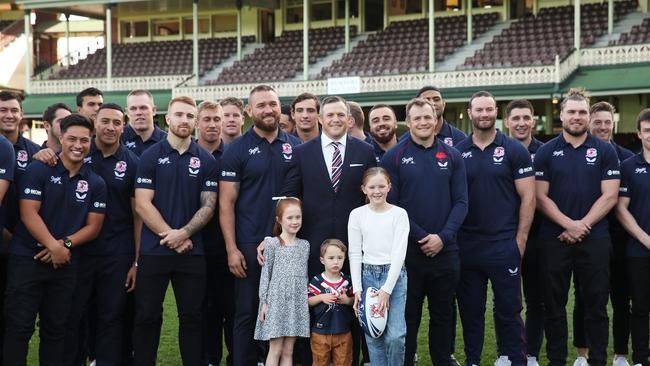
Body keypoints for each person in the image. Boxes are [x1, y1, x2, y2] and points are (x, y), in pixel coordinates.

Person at [3, 113, 107, 364]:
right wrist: (53, 245)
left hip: (64, 265)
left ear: (91, 141)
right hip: (27, 260)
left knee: (57, 330)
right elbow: (29, 213)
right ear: (61, 137)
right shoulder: (38, 169)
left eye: (84, 140)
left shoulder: (96, 182)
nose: (78, 145)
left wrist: (64, 246)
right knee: (19, 328)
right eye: (72, 139)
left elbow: (93, 227)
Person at [47, 103, 139, 366]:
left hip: (116, 253)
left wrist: (136, 261)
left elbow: (137, 216)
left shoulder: (132, 163)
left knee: (110, 317)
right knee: (74, 315)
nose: (111, 127)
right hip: (77, 251)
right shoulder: (77, 151)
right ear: (94, 122)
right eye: (105, 121)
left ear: (124, 126)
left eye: (117, 123)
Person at [534, 88, 620, 366]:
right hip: (554, 239)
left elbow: (610, 195)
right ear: (561, 115)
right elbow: (539, 196)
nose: (577, 116)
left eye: (582, 112)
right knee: (554, 307)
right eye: (571, 111)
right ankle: (557, 360)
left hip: (595, 238)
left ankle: (597, 360)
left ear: (588, 115)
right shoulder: (546, 152)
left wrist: (582, 225)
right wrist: (569, 224)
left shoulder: (605, 151)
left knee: (596, 306)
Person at [381, 98, 468, 366]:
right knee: (410, 314)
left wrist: (443, 237)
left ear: (436, 120)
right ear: (408, 122)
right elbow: (392, 206)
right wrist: (421, 237)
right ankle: (408, 360)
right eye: (417, 118)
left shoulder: (452, 155)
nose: (423, 122)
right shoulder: (393, 156)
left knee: (444, 313)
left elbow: (462, 202)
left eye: (427, 117)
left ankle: (443, 358)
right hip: (409, 253)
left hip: (446, 249)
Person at [133, 96, 219, 365]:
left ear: (195, 122)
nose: (184, 120)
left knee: (192, 317)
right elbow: (143, 205)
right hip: (154, 250)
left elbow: (208, 206)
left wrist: (184, 234)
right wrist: (173, 236)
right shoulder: (149, 156)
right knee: (147, 315)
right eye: (179, 115)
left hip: (192, 253)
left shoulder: (206, 160)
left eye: (190, 116)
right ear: (167, 119)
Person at [219, 85, 301, 366]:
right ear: (249, 111)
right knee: (247, 311)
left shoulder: (296, 146)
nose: (268, 110)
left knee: (285, 311)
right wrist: (232, 249)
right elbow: (226, 204)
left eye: (273, 104)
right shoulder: (236, 150)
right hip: (249, 243)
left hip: (287, 244)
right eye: (261, 105)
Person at [455, 91, 535, 366]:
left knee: (509, 311)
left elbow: (529, 197)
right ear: (470, 113)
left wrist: (520, 240)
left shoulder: (514, 150)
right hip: (468, 246)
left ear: (496, 112)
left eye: (489, 109)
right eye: (479, 109)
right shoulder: (458, 152)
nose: (485, 114)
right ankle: (473, 361)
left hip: (504, 244)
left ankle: (517, 361)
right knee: (471, 311)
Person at [570, 101, 634, 366]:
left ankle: (620, 354)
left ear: (614, 124)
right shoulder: (578, 154)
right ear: (589, 123)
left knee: (620, 298)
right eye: (598, 122)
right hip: (587, 237)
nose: (603, 127)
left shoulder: (627, 158)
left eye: (608, 122)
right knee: (584, 297)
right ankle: (582, 354)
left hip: (620, 240)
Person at [349, 167, 409, 366]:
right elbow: (355, 253)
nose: (377, 191)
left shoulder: (399, 214)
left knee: (395, 336)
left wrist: (386, 289)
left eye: (381, 186)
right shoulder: (357, 215)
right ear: (363, 189)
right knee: (374, 335)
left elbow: (399, 253)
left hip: (394, 276)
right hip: (368, 275)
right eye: (372, 187)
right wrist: (357, 288)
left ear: (389, 187)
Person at [503, 99, 545, 366]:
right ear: (507, 121)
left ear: (533, 120)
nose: (521, 123)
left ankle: (530, 354)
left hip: (539, 236)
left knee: (536, 299)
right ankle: (506, 353)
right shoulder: (500, 149)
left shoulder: (545, 152)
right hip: (504, 236)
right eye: (515, 118)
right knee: (506, 301)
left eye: (525, 118)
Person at [195, 101, 234, 366]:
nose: (212, 124)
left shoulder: (232, 154)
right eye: (207, 119)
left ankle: (237, 358)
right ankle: (209, 359)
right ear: (197, 122)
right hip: (195, 246)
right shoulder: (187, 155)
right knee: (202, 309)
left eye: (216, 119)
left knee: (231, 308)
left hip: (227, 245)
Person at [254, 197, 310, 366]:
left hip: (296, 303)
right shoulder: (272, 244)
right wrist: (264, 302)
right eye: (290, 218)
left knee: (288, 351)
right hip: (276, 302)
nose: (294, 222)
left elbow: (304, 276)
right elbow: (266, 275)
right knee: (275, 349)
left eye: (298, 217)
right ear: (279, 220)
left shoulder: (305, 245)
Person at [616, 108, 650, 366]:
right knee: (639, 308)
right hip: (638, 251)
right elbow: (620, 208)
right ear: (639, 133)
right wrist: (644, 238)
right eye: (647, 130)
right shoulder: (628, 166)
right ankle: (639, 358)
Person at [308, 239, 355, 366]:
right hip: (320, 332)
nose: (336, 262)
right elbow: (308, 301)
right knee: (320, 362)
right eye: (331, 258)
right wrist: (321, 297)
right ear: (322, 260)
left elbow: (355, 301)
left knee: (343, 361)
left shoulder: (347, 281)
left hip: (343, 331)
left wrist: (347, 300)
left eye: (340, 258)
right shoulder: (317, 281)